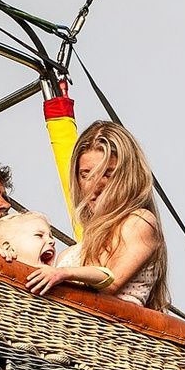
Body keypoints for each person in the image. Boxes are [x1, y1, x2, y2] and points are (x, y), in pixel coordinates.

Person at [25, 118, 170, 310]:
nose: (97, 185)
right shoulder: (70, 253)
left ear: (129, 176)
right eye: (87, 174)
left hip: (112, 334)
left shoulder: (140, 221)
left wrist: (65, 273)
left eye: (108, 174)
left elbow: (111, 281)